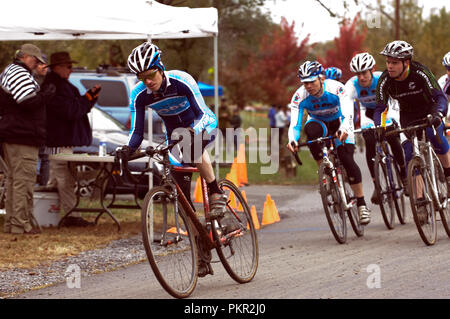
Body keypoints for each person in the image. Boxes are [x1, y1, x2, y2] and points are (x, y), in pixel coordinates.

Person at [124, 42, 226, 276]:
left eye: (151, 74)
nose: (147, 81)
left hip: (203, 124)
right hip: (174, 136)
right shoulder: (139, 95)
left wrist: (193, 131)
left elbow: (202, 113)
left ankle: (215, 190)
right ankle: (201, 247)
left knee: (190, 144)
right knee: (184, 202)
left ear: (160, 68)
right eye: (142, 77)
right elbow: (136, 132)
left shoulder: (181, 80)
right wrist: (126, 150)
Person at [287, 61, 371, 225]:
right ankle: (325, 172)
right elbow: (295, 124)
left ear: (321, 78)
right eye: (305, 83)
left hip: (340, 122)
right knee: (310, 133)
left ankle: (361, 204)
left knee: (346, 159)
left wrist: (344, 128)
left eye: (312, 81)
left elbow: (347, 113)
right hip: (319, 123)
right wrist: (292, 140)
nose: (308, 86)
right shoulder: (299, 96)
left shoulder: (336, 88)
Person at [374, 40, 450, 223]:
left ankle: (448, 174)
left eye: (394, 63)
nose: (390, 66)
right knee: (410, 154)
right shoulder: (385, 80)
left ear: (405, 62)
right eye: (388, 62)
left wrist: (439, 114)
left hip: (429, 111)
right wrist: (380, 126)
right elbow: (380, 108)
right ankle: (421, 200)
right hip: (407, 116)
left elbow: (440, 97)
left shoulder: (421, 72)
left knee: (435, 136)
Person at [42, 51, 101, 227]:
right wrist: (88, 99)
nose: (71, 70)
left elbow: (73, 107)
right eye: (68, 67)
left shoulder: (57, 85)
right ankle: (70, 215)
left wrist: (87, 99)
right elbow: (70, 110)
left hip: (60, 140)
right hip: (58, 141)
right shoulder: (55, 86)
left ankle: (49, 214)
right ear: (57, 68)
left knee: (56, 179)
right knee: (64, 178)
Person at [0, 43, 53, 234]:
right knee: (23, 180)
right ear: (27, 57)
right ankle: (21, 224)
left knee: (14, 180)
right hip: (21, 136)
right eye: (35, 60)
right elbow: (27, 101)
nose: (36, 64)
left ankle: (12, 223)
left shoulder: (10, 71)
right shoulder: (20, 73)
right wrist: (45, 95)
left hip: (13, 134)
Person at [346, 52, 407, 204]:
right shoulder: (352, 85)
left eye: (364, 73)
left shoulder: (382, 78)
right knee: (369, 140)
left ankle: (404, 175)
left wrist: (393, 120)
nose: (361, 77)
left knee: (392, 136)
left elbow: (394, 102)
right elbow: (347, 107)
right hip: (368, 113)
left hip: (387, 109)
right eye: (358, 74)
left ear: (371, 70)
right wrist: (349, 126)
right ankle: (377, 185)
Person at [33, 53, 50, 186]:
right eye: (40, 64)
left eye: (46, 64)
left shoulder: (50, 82)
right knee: (35, 159)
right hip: (33, 129)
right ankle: (35, 186)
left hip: (46, 128)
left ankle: (42, 186)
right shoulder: (30, 82)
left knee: (45, 158)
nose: (44, 67)